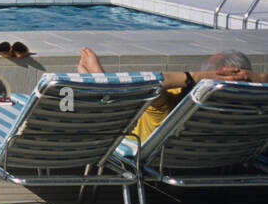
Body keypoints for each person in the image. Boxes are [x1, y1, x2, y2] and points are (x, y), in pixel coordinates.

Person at [77, 47, 264, 142]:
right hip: (218, 153)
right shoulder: (254, 105)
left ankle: (100, 81)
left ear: (216, 72)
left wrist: (200, 77)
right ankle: (99, 80)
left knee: (126, 100)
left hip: (137, 141)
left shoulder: (172, 103)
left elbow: (152, 80)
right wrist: (254, 77)